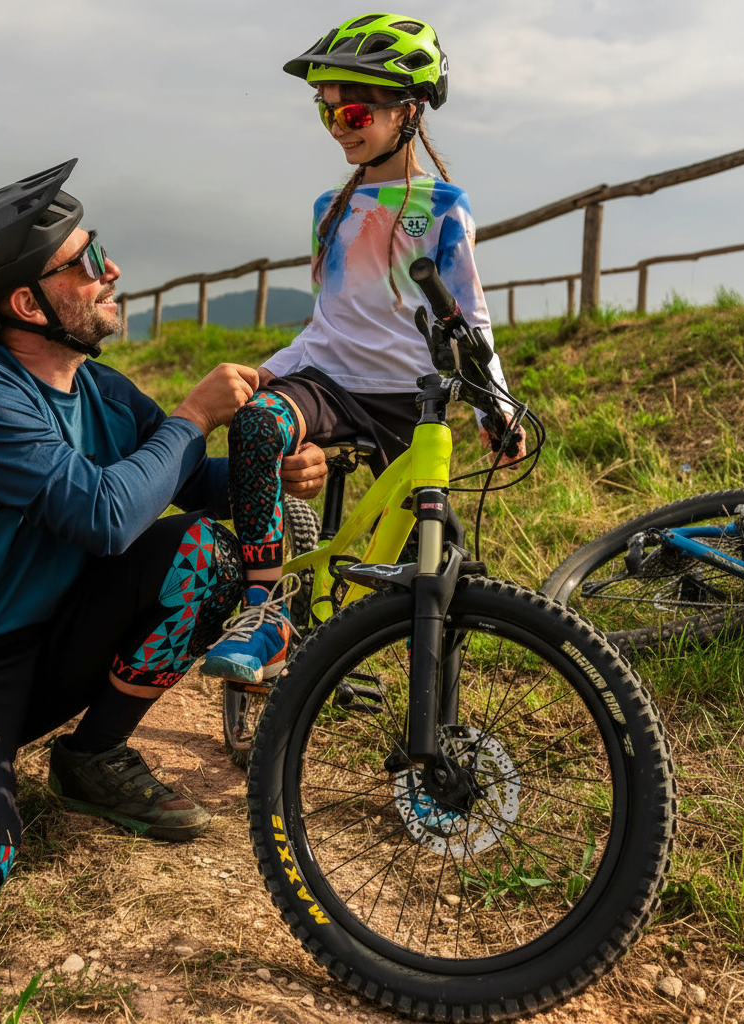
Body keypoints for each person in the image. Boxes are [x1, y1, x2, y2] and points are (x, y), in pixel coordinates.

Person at [0, 159, 326, 926]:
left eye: (98, 249)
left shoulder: (103, 392)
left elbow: (184, 484)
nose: (112, 271)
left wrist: (269, 469)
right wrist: (191, 416)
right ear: (24, 301)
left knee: (205, 551)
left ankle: (90, 756)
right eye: (85, 262)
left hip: (60, 644)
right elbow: (106, 515)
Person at [200, 13, 525, 687]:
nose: (341, 127)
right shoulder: (332, 207)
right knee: (257, 423)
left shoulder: (443, 205)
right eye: (328, 116)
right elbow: (330, 323)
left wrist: (493, 406)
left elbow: (470, 314)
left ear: (409, 111)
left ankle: (433, 715)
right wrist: (272, 370)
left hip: (412, 401)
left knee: (439, 569)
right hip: (330, 385)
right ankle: (268, 617)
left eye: (353, 110)